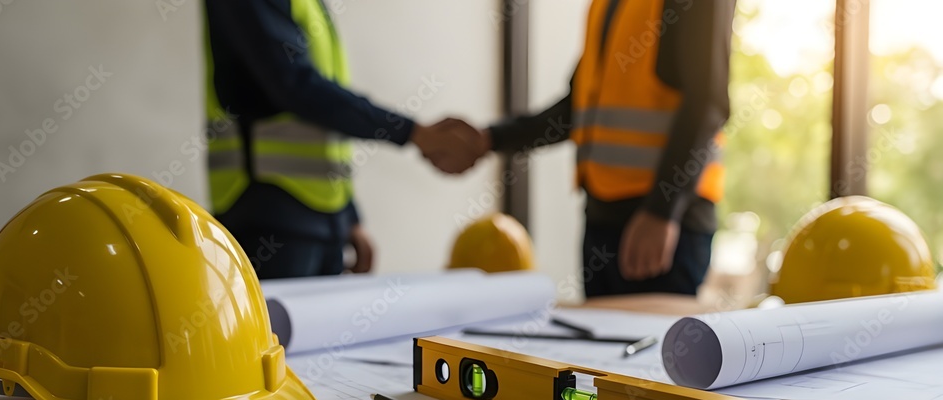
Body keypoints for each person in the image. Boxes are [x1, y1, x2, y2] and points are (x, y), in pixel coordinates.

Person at [451, 0, 736, 297]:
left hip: (663, 226)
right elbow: (576, 110)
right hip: (602, 219)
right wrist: (489, 139)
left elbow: (708, 104)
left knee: (659, 341)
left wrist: (662, 210)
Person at [203, 0, 479, 279]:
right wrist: (414, 133)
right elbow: (295, 86)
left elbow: (323, 126)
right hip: (270, 215)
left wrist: (347, 217)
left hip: (322, 225)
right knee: (273, 323)